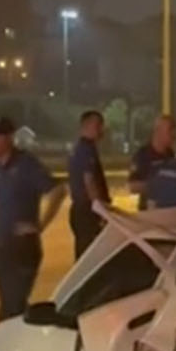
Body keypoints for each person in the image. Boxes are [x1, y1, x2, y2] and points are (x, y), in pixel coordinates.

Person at [0, 116, 66, 321]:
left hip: (22, 248)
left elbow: (58, 190)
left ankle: (3, 348)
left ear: (9, 138)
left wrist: (39, 226)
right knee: (12, 306)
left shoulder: (26, 164)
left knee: (11, 309)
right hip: (1, 248)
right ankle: (23, 340)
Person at [67, 110, 111, 260]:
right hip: (87, 211)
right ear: (86, 126)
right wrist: (101, 209)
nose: (101, 129)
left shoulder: (81, 148)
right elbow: (89, 180)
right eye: (97, 125)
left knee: (85, 255)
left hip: (81, 210)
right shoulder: (86, 150)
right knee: (90, 257)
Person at [129, 114, 176, 209]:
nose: (175, 134)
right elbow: (132, 186)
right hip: (150, 212)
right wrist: (160, 184)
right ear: (158, 131)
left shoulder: (170, 154)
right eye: (170, 129)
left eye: (175, 129)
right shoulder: (143, 155)